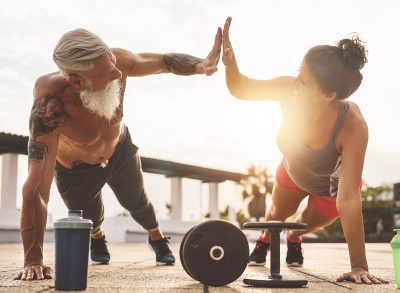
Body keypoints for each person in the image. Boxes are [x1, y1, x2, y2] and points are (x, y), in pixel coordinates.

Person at [15, 27, 222, 281]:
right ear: (77, 81)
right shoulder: (51, 102)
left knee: (138, 202)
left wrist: (201, 65)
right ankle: (97, 237)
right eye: (106, 73)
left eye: (112, 61)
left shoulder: (117, 62)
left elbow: (163, 62)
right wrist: (33, 259)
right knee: (89, 218)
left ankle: (156, 238)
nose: (118, 72)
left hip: (119, 150)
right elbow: (35, 187)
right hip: (76, 169)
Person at [222, 17, 388, 285]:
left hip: (331, 189)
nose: (296, 84)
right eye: (299, 74)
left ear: (329, 95)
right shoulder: (289, 89)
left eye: (304, 82)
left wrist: (359, 265)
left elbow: (347, 198)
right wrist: (230, 64)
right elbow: (241, 88)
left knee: (300, 225)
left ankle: (295, 239)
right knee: (275, 216)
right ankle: (264, 240)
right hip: (293, 171)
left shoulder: (353, 126)